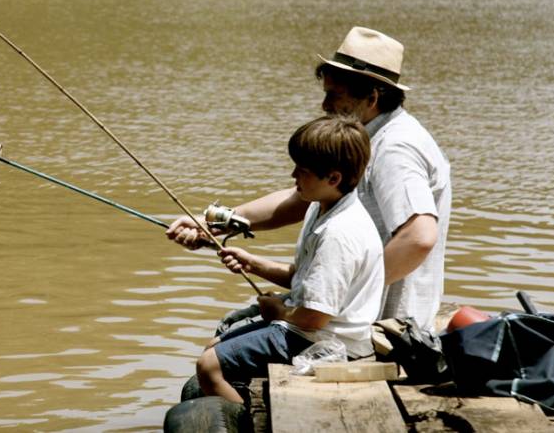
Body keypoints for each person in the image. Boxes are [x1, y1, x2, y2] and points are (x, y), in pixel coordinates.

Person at [167, 26, 451, 332]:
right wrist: (215, 222)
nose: (325, 105)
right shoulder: (364, 138)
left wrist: (346, 292)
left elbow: (419, 237)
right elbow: (300, 198)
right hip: (341, 310)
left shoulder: (395, 148)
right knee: (232, 327)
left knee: (223, 345)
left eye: (334, 95)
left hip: (376, 323)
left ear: (371, 97)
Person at [197, 116, 384, 401]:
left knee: (209, 367)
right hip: (307, 327)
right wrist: (253, 263)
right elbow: (303, 276)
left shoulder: (339, 234)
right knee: (214, 346)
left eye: (302, 170)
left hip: (326, 342)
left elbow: (315, 317)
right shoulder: (320, 207)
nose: (293, 175)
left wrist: (279, 312)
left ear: (333, 178)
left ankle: (251, 424)